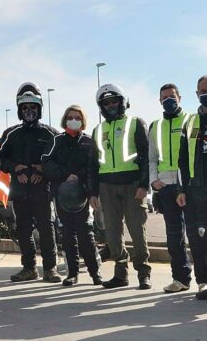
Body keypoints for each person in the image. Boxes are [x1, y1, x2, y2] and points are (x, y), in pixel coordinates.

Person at [0, 82, 61, 283]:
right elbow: (0, 159)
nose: (29, 111)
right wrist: (15, 168)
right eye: (25, 108)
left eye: (33, 107)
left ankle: (51, 268)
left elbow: (60, 159)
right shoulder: (11, 133)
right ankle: (29, 268)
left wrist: (44, 171)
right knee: (23, 229)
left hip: (43, 189)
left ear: (39, 108)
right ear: (19, 109)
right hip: (19, 189)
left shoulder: (51, 133)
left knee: (46, 227)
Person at [92, 84, 151, 289]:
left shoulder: (135, 123)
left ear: (122, 101)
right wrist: (93, 192)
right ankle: (120, 274)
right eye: (106, 103)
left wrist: (144, 184)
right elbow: (93, 164)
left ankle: (143, 273)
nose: (110, 105)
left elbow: (145, 156)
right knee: (112, 232)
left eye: (114, 101)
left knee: (136, 228)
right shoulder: (98, 130)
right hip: (106, 186)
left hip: (132, 184)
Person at [42, 105, 102, 286]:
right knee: (68, 235)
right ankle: (72, 273)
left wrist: (92, 193)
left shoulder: (89, 142)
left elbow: (94, 168)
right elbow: (46, 162)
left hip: (82, 196)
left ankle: (94, 273)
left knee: (86, 235)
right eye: (70, 117)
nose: (74, 120)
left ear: (82, 120)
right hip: (62, 195)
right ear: (65, 119)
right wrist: (65, 174)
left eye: (77, 117)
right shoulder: (56, 141)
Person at [149, 83, 192, 293]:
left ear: (180, 97)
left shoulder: (192, 121)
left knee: (198, 234)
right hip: (166, 187)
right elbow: (151, 159)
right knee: (174, 237)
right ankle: (181, 279)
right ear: (159, 101)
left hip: (190, 186)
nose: (168, 100)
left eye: (172, 96)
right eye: (164, 97)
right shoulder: (155, 126)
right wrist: (153, 181)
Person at [176, 75, 207, 300]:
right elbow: (182, 161)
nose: (205, 94)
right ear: (197, 94)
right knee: (197, 239)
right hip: (195, 191)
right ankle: (203, 282)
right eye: (202, 91)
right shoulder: (190, 122)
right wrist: (181, 190)